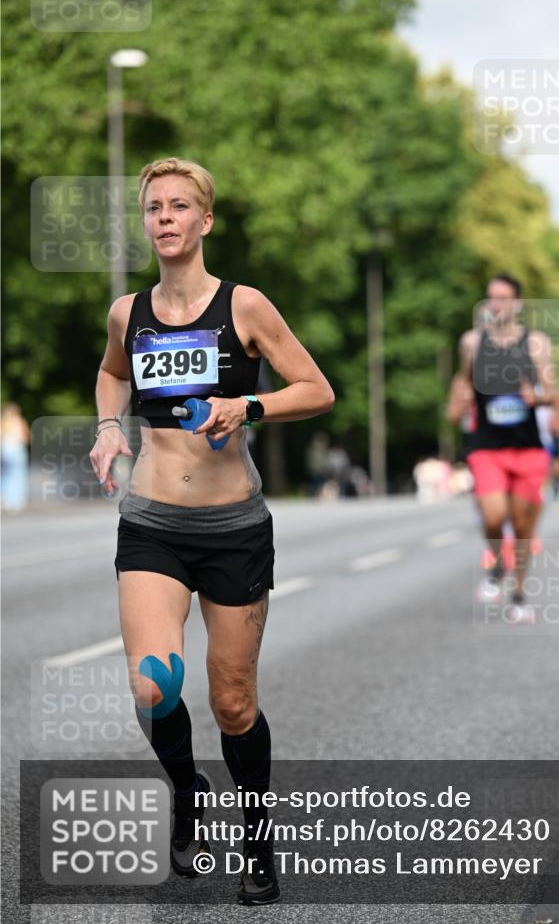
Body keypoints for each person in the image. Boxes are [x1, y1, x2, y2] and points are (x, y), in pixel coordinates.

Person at [89, 158, 334, 904]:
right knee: (152, 684)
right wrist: (108, 427)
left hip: (232, 527)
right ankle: (187, 787)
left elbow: (315, 389)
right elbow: (111, 374)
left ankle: (256, 840)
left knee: (232, 701)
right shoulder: (127, 312)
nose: (164, 218)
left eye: (178, 206)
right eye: (153, 208)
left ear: (205, 221)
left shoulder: (245, 307)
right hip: (152, 521)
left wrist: (247, 408)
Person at [452, 273, 556, 623]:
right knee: (494, 516)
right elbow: (463, 381)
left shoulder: (536, 343)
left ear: (518, 303)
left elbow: (553, 393)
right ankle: (497, 561)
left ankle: (520, 594)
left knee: (523, 526)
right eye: (491, 298)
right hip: (488, 447)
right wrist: (458, 399)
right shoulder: (472, 342)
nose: (496, 305)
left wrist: (536, 398)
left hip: (527, 448)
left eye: (503, 298)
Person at [0, 402, 30, 511]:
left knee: (5, 475)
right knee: (18, 475)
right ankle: (16, 501)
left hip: (5, 450)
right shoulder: (20, 422)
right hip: (17, 450)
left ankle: (5, 500)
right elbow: (26, 437)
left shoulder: (3, 422)